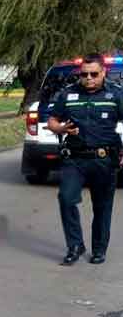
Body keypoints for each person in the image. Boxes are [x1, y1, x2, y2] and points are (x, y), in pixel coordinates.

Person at [48, 53, 123, 265]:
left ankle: (99, 249)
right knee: (66, 198)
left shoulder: (116, 95)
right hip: (75, 159)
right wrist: (61, 128)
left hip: (104, 159)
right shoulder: (68, 94)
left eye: (94, 74)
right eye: (84, 74)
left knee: (102, 206)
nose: (89, 78)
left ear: (103, 72)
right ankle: (75, 245)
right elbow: (52, 121)